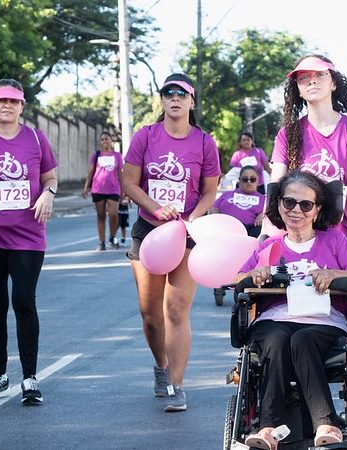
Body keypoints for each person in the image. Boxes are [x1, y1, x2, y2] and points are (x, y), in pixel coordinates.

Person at [234, 170, 347, 449]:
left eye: (305, 204)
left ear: (317, 209)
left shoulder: (334, 241)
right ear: (279, 205)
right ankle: (267, 427)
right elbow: (238, 280)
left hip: (323, 321)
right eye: (289, 202)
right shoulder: (270, 246)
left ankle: (326, 423)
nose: (296, 210)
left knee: (302, 339)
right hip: (274, 319)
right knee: (276, 339)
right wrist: (257, 273)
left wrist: (332, 274)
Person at [121, 73, 221, 412]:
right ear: (162, 100)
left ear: (192, 102)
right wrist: (154, 206)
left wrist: (195, 217)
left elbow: (209, 189)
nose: (174, 98)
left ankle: (178, 385)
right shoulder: (145, 137)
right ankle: (161, 366)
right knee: (150, 314)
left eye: (182, 93)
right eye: (168, 93)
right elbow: (129, 183)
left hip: (186, 234)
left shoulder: (205, 142)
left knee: (176, 310)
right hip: (149, 231)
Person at [0, 79, 58, 405]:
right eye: (0, 100)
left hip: (28, 237)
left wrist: (49, 193)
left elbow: (49, 176)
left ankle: (30, 378)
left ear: (22, 106)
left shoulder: (35, 138)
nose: (7, 105)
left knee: (23, 301)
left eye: (14, 101)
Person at [265, 54, 347, 279]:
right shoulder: (288, 134)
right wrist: (267, 231)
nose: (312, 81)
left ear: (333, 82)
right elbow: (276, 185)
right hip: (300, 237)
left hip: (346, 238)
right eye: (304, 78)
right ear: (297, 89)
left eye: (320, 75)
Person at [82, 131, 123, 250]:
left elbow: (120, 174)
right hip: (98, 189)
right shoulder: (96, 155)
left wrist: (123, 191)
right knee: (101, 216)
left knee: (113, 215)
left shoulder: (117, 155)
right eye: (102, 139)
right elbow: (90, 172)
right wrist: (86, 187)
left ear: (111, 140)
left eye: (106, 139)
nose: (104, 141)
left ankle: (113, 237)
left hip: (113, 189)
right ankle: (102, 242)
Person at [211, 165, 265, 237]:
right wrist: (216, 218)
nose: (249, 182)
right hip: (224, 228)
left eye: (252, 179)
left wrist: (264, 215)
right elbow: (214, 207)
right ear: (239, 180)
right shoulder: (227, 194)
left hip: (249, 231)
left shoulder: (264, 199)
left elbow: (271, 212)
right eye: (245, 179)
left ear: (257, 180)